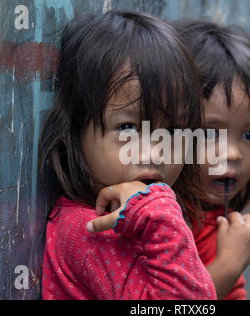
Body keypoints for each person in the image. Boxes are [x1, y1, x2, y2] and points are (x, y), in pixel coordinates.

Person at [38, 10, 216, 300]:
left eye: (172, 131)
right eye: (128, 127)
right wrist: (160, 215)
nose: (154, 151)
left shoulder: (126, 219)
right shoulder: (89, 232)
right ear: (73, 134)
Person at [172, 19, 250, 299]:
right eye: (209, 134)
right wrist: (229, 265)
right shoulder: (155, 223)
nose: (232, 153)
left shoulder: (217, 221)